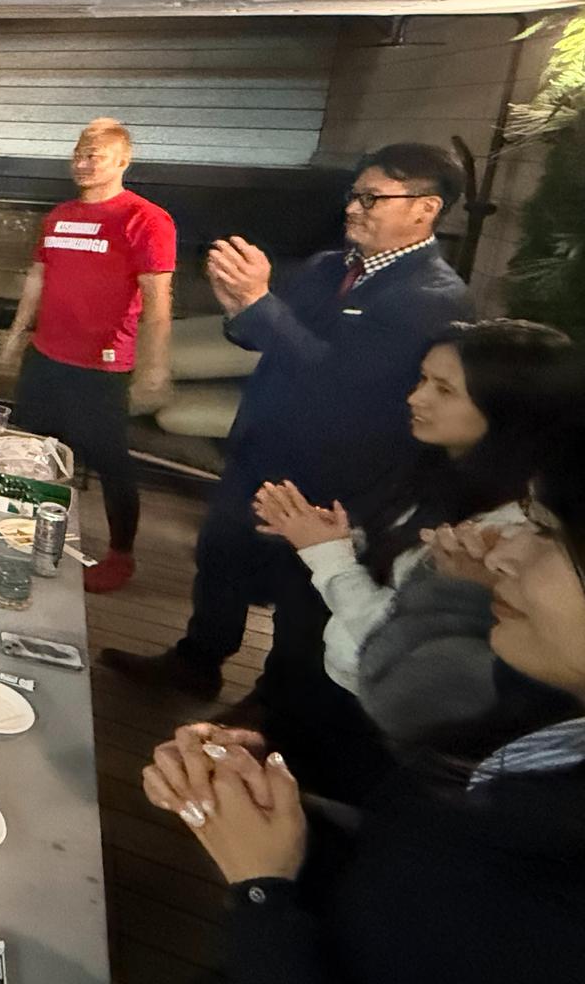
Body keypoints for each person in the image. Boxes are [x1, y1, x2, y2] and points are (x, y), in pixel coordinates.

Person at [139, 441, 585, 984]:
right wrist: (272, 801)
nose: (502, 556)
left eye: (550, 534)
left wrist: (264, 892)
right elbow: (418, 870)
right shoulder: (548, 723)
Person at [103, 145, 471, 725]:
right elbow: (267, 339)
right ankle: (197, 660)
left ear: (425, 208)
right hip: (261, 449)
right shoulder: (328, 266)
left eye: (372, 198)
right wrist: (240, 308)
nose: (354, 207)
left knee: (301, 592)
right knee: (221, 556)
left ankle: (272, 706)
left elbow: (338, 379)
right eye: (354, 194)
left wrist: (259, 303)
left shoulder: (430, 296)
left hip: (333, 472)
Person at [244, 319, 574, 786]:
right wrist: (339, 540)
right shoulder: (441, 467)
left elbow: (399, 640)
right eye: (423, 379)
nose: (416, 398)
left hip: (379, 721)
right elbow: (400, 569)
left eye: (445, 389)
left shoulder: (511, 532)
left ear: (512, 408)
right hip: (338, 683)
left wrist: (327, 554)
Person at [1, 119, 174, 594]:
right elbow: (38, 277)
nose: (82, 162)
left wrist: (155, 365)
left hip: (102, 365)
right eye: (78, 153)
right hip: (46, 355)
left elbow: (157, 299)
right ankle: (25, 534)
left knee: (110, 460)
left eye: (93, 155)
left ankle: (120, 555)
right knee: (32, 451)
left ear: (123, 161)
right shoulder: (59, 216)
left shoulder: (145, 218)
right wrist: (16, 333)